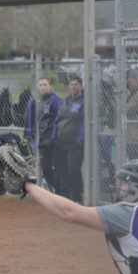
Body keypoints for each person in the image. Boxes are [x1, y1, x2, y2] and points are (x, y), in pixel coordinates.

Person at [23, 77, 61, 189]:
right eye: (40, 85)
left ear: (50, 86)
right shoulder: (40, 101)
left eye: (45, 85)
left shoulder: (55, 100)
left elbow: (59, 120)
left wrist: (54, 137)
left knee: (56, 168)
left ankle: (63, 193)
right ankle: (58, 191)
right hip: (43, 140)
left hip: (54, 140)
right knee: (45, 169)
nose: (43, 87)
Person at [52, 75, 84, 203]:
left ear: (81, 86)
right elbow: (57, 120)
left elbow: (84, 123)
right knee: (61, 170)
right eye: (71, 84)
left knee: (73, 170)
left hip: (74, 144)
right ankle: (65, 197)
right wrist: (54, 136)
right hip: (60, 142)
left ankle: (77, 196)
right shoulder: (64, 101)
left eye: (76, 84)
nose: (73, 86)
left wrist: (79, 140)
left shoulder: (84, 101)